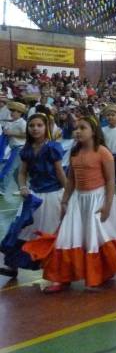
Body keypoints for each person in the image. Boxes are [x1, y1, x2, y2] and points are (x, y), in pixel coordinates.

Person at [43, 115, 116, 293]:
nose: (78, 131)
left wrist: (107, 205)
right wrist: (65, 200)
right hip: (78, 199)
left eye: (83, 128)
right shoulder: (74, 152)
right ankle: (62, 277)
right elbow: (71, 179)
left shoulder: (103, 152)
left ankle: (97, 275)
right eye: (76, 128)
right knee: (67, 237)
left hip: (98, 200)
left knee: (95, 238)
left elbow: (110, 181)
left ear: (93, 131)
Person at [0, 114, 67, 278]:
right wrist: (23, 187)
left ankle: (54, 269)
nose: (35, 128)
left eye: (39, 125)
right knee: (20, 229)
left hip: (53, 196)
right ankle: (12, 265)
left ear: (46, 128)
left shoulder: (52, 148)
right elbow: (22, 173)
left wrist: (69, 194)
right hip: (33, 196)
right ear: (28, 129)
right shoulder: (27, 150)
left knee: (49, 233)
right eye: (32, 126)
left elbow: (60, 173)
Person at [1, 101, 28, 197]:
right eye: (11, 110)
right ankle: (22, 188)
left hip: (20, 149)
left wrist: (11, 133)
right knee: (16, 172)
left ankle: (2, 189)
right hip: (14, 148)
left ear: (20, 113)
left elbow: (27, 135)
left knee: (9, 169)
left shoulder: (22, 123)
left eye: (15, 111)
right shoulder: (11, 121)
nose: (12, 112)